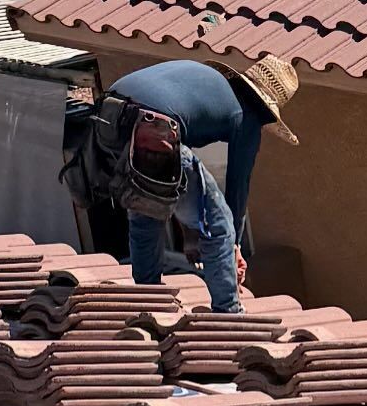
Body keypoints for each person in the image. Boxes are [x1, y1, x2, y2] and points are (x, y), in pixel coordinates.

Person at [89, 56, 298, 313]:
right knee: (219, 226)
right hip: (153, 127)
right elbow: (237, 189)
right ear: (268, 109)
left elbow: (178, 185)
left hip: (107, 118)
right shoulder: (248, 117)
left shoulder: (210, 88)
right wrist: (234, 246)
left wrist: (190, 235)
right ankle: (228, 311)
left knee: (146, 212)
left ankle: (149, 296)